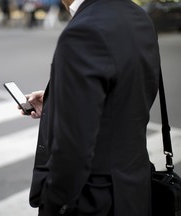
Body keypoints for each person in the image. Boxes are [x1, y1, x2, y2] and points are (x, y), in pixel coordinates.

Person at [19, 0, 161, 215]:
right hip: (135, 188)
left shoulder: (84, 29)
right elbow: (125, 90)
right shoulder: (137, 14)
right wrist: (55, 98)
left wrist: (56, 202)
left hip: (93, 199)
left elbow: (73, 147)